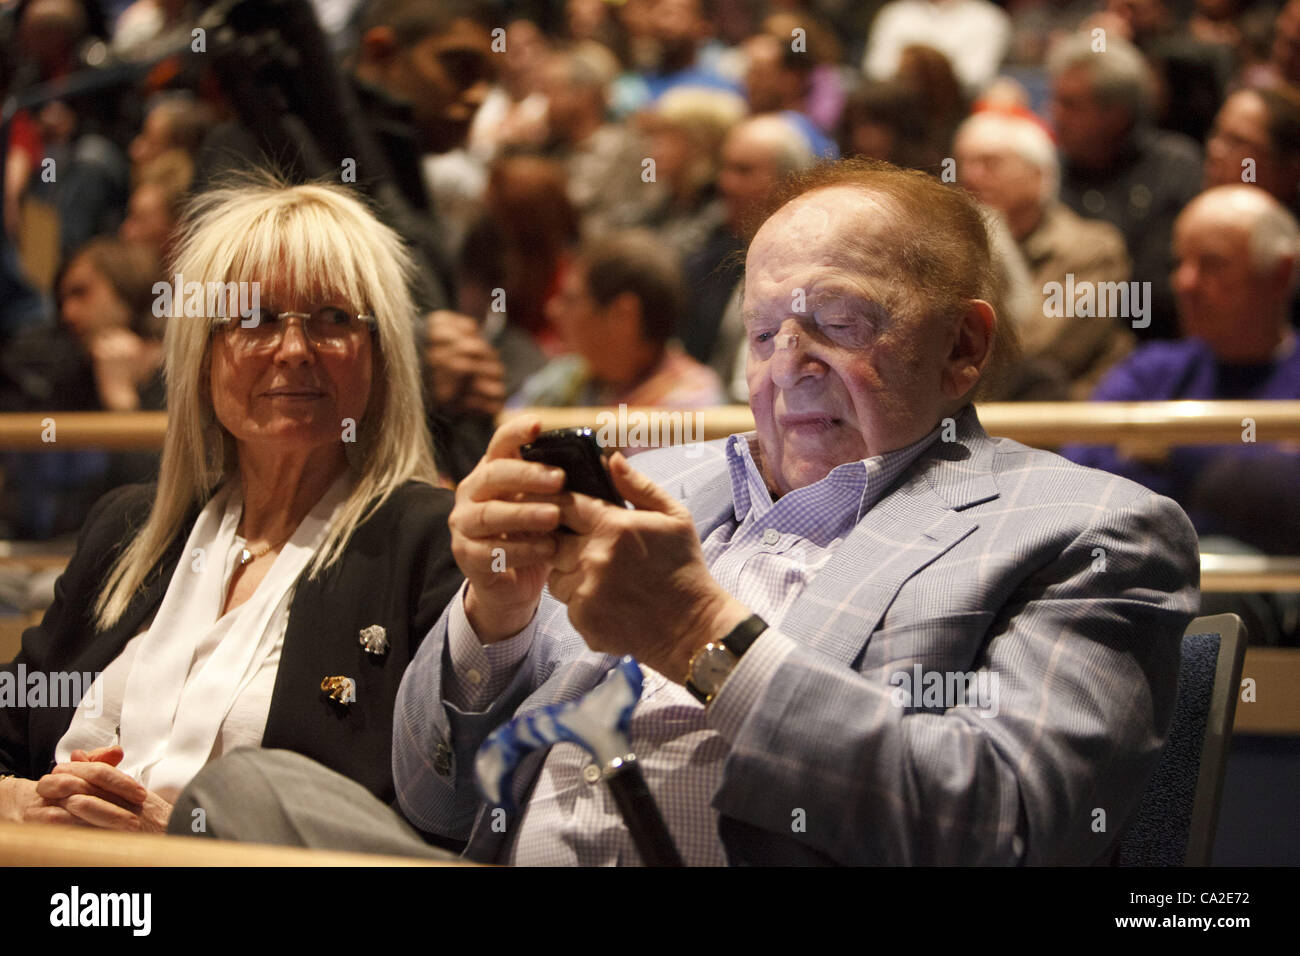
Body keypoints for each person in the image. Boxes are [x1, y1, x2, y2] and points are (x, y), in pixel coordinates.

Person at [170, 160, 1199, 866]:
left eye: (837, 322)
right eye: (761, 330)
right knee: (246, 797)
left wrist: (702, 638)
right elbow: (438, 798)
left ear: (963, 348)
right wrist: (493, 618)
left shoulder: (1085, 529)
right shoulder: (669, 486)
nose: (788, 366)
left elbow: (1004, 825)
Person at [0, 177, 463, 831]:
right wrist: (17, 803)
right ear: (203, 354)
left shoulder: (427, 544)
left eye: (333, 319)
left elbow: (434, 824)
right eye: (254, 318)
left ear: (382, 356)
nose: (294, 350)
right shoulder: (127, 530)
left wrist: (195, 842)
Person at [1063, 185, 1300, 558]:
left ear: (1280, 274)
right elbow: (1077, 480)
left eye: (1213, 264)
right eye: (1181, 263)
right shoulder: (1152, 370)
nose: (1184, 283)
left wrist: (1164, 455)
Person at [954, 108, 1134, 398]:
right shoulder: (954, 246)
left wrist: (998, 242)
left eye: (990, 163)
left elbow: (1040, 350)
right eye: (965, 163)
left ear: (1039, 175)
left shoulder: (1094, 248)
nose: (970, 176)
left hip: (1061, 420)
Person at [1049, 32, 1203, 340]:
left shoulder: (1174, 166)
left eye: (1071, 105)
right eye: (1056, 100)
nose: (1056, 116)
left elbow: (1156, 291)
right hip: (1057, 335)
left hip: (1149, 339)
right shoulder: (1049, 170)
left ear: (1117, 115)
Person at [509, 230, 725, 413]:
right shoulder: (568, 375)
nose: (552, 310)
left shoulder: (692, 406)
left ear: (623, 314)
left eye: (571, 299)